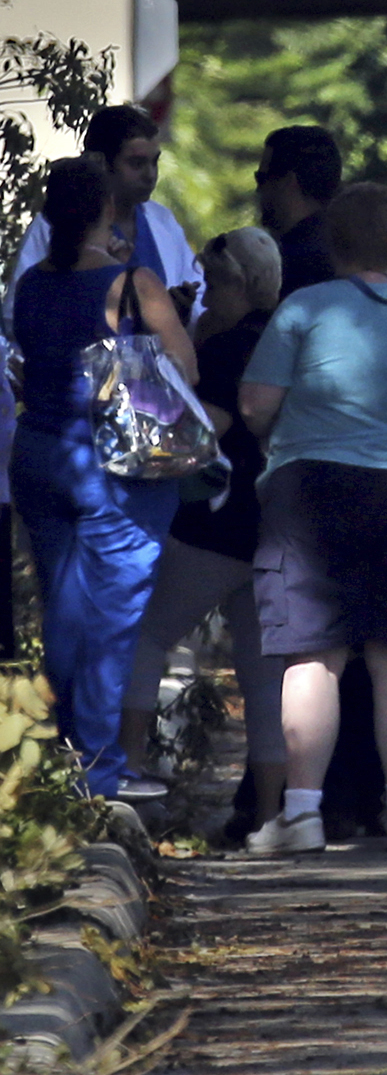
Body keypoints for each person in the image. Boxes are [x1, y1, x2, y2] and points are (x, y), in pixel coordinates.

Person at [237, 183, 387, 856]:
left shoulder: (303, 309)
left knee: (314, 655)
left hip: (317, 488)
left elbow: (254, 404)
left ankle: (302, 814)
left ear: (331, 242)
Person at [9, 155, 198, 795]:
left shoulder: (31, 282)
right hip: (110, 463)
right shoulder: (132, 283)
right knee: (112, 617)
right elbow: (185, 370)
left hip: (38, 453)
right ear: (107, 208)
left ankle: (66, 758)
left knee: (63, 611)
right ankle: (97, 772)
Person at [121, 228, 288, 826]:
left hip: (214, 526)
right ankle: (269, 816)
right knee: (264, 675)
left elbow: (198, 430)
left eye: (214, 284)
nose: (207, 296)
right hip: (275, 525)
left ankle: (127, 771)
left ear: (240, 284)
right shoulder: (284, 338)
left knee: (145, 636)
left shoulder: (225, 352)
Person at [11, 105, 204, 319]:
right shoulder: (56, 223)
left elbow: (201, 298)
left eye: (154, 162)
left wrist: (182, 308)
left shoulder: (163, 221)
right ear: (101, 163)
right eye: (137, 163)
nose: (150, 175)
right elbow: (17, 312)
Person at [255, 127, 343, 297]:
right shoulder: (352, 251)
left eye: (261, 179)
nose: (258, 190)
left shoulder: (288, 264)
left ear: (288, 182)